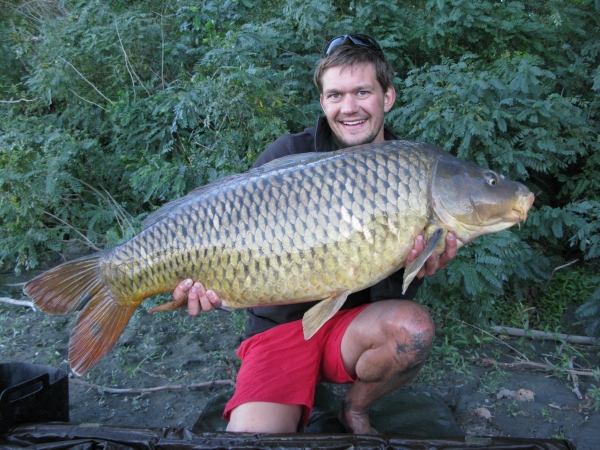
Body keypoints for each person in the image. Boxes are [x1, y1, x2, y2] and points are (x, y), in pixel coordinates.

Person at [173, 34, 457, 434]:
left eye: (363, 92)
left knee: (413, 329)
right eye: (336, 95)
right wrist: (211, 287)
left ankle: (354, 408)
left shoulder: (414, 169)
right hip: (284, 327)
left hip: (356, 329)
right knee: (251, 442)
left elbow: (394, 290)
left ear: (387, 97)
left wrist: (425, 264)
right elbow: (233, 245)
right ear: (323, 103)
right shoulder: (287, 156)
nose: (350, 107)